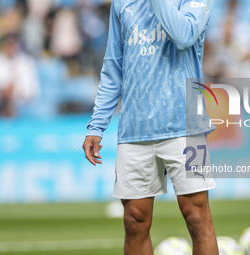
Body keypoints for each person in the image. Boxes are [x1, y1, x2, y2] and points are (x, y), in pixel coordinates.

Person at [82, 0, 218, 254]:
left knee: (197, 217)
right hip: (135, 127)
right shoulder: (122, 3)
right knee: (134, 221)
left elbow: (184, 36)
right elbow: (114, 67)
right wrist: (96, 126)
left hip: (186, 126)